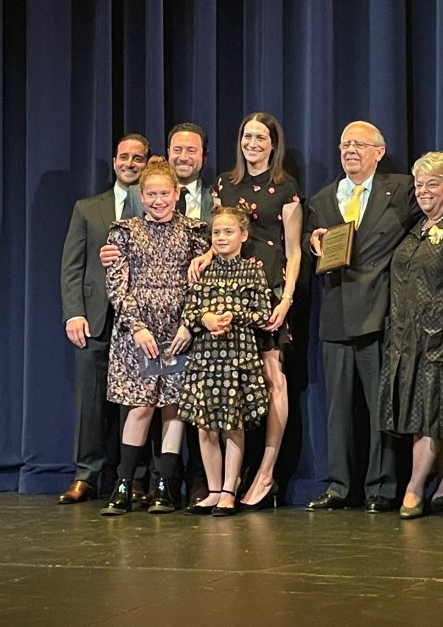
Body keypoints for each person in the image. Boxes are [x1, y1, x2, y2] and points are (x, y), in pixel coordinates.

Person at [304, 121, 443, 513]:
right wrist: (312, 243)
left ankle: (380, 487)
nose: (350, 151)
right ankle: (339, 486)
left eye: (359, 144)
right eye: (344, 144)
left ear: (379, 153)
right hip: (336, 314)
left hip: (379, 315)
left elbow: (441, 198)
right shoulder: (323, 197)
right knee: (338, 410)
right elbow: (305, 240)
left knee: (382, 408)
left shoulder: (399, 189)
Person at [193, 112, 302, 509]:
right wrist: (206, 255)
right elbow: (220, 232)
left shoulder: (285, 186)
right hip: (228, 289)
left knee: (273, 377)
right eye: (247, 136)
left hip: (270, 289)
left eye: (260, 137)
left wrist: (286, 298)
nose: (252, 143)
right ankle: (226, 480)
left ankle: (266, 472)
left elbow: (294, 250)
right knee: (231, 379)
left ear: (273, 144)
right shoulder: (225, 183)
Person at [105, 122, 213, 504]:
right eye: (151, 194)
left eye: (164, 193)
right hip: (138, 335)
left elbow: (201, 287)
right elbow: (118, 286)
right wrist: (137, 328)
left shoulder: (196, 233)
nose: (158, 200)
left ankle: (165, 486)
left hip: (178, 335)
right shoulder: (123, 233)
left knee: (173, 409)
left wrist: (188, 325)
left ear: (176, 193)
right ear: (141, 194)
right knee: (140, 407)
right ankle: (123, 484)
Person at [377, 151, 443, 519]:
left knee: (430, 413)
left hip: (441, 338)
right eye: (419, 184)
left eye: (432, 184)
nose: (423, 191)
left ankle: (414, 489)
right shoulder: (417, 226)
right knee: (425, 413)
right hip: (408, 340)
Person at [58, 133, 150, 504]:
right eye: (124, 157)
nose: (130, 163)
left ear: (147, 163)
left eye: (138, 158)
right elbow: (72, 266)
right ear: (114, 162)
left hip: (141, 323)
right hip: (96, 319)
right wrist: (74, 313)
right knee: (91, 402)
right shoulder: (87, 208)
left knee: (138, 402)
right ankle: (87, 475)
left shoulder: (156, 206)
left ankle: (135, 478)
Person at [179, 206, 273, 516]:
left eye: (228, 231)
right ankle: (213, 489)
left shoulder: (252, 271)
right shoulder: (202, 271)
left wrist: (235, 316)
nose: (221, 237)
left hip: (237, 357)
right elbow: (189, 311)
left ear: (243, 235)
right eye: (216, 232)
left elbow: (263, 315)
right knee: (205, 426)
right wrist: (204, 318)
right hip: (205, 358)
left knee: (233, 425)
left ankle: (230, 490)